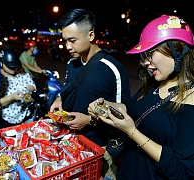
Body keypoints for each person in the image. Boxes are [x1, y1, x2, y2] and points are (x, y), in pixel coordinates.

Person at [88, 14, 194, 179]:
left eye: (150, 54)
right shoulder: (154, 84)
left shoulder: (191, 101)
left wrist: (131, 131)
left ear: (177, 50)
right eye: (144, 56)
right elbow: (131, 110)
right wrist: (106, 106)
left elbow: (181, 170)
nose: (145, 62)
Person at [50, 8, 131, 179]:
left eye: (72, 40)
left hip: (99, 147)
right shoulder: (72, 63)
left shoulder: (112, 69)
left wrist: (89, 120)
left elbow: (123, 112)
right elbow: (68, 90)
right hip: (70, 140)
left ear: (91, 35)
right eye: (65, 41)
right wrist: (59, 99)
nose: (67, 46)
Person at [0, 49, 36, 128]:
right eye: (10, 67)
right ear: (1, 63)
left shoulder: (21, 72)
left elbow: (33, 86)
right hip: (8, 119)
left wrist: (26, 90)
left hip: (25, 114)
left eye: (15, 66)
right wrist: (12, 97)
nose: (14, 69)